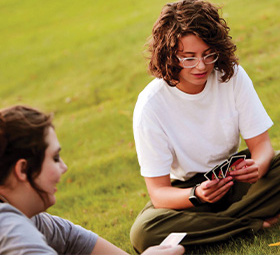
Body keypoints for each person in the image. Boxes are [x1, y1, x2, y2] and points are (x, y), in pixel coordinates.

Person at [129, 0, 280, 252]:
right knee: (145, 232)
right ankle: (256, 222)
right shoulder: (150, 105)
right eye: (188, 58)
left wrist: (259, 166)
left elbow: (262, 146)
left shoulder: (230, 75)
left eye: (208, 55)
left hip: (235, 180)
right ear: (169, 55)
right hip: (189, 194)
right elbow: (159, 194)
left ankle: (221, 227)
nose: (201, 66)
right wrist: (197, 194)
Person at [0, 105, 185, 255]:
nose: (64, 168)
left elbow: (74, 240)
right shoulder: (7, 227)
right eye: (55, 158)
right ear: (22, 170)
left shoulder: (32, 219)